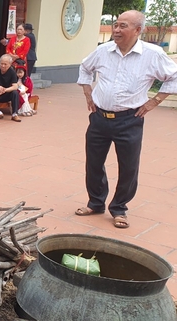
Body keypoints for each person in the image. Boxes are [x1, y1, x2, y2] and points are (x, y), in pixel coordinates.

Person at [75, 10, 177, 229]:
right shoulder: (103, 51)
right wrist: (87, 93)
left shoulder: (153, 54)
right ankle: (96, 202)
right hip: (99, 118)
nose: (116, 30)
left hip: (130, 120)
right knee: (94, 163)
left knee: (128, 166)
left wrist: (153, 102)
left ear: (137, 30)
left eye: (123, 26)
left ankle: (119, 208)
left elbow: (174, 76)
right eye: (115, 25)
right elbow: (85, 67)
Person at [0, 54, 22, 122]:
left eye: (5, 64)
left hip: (6, 93)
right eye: (1, 63)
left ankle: (14, 114)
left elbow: (15, 86)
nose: (3, 66)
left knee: (15, 93)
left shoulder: (12, 72)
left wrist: (4, 90)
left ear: (10, 64)